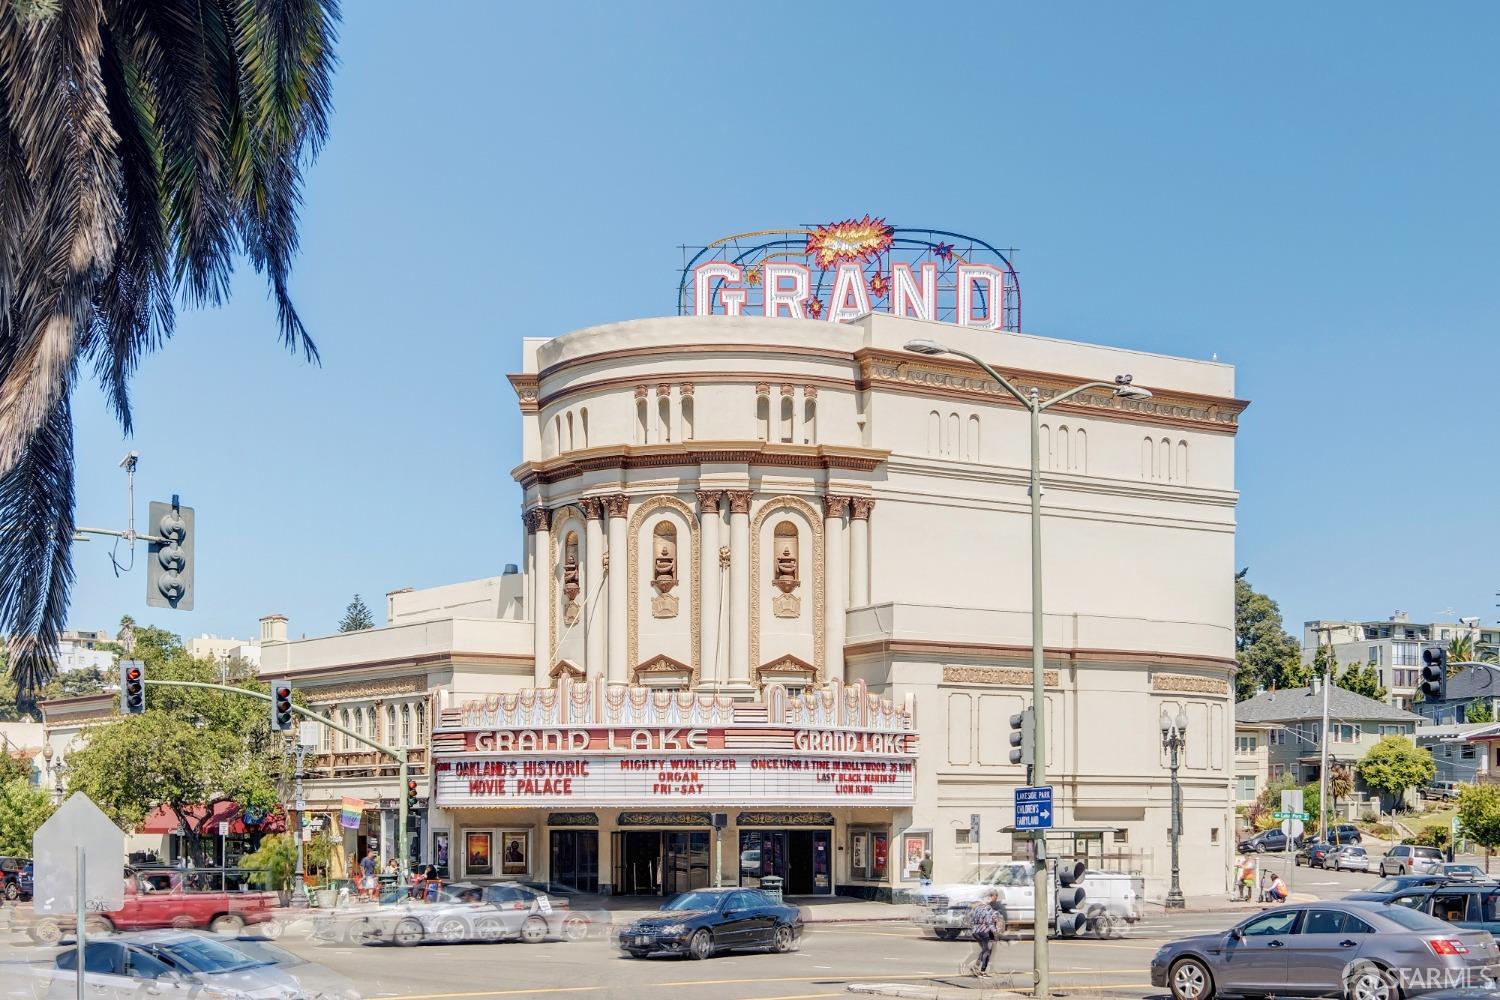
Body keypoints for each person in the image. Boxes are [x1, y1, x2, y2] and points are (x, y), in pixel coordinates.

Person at [965, 889, 1002, 978]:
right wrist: (995, 932)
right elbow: (989, 922)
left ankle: (977, 967)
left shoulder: (977, 908)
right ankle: (981, 971)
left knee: (985, 950)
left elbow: (970, 919)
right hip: (984, 932)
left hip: (976, 932)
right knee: (987, 951)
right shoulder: (988, 908)